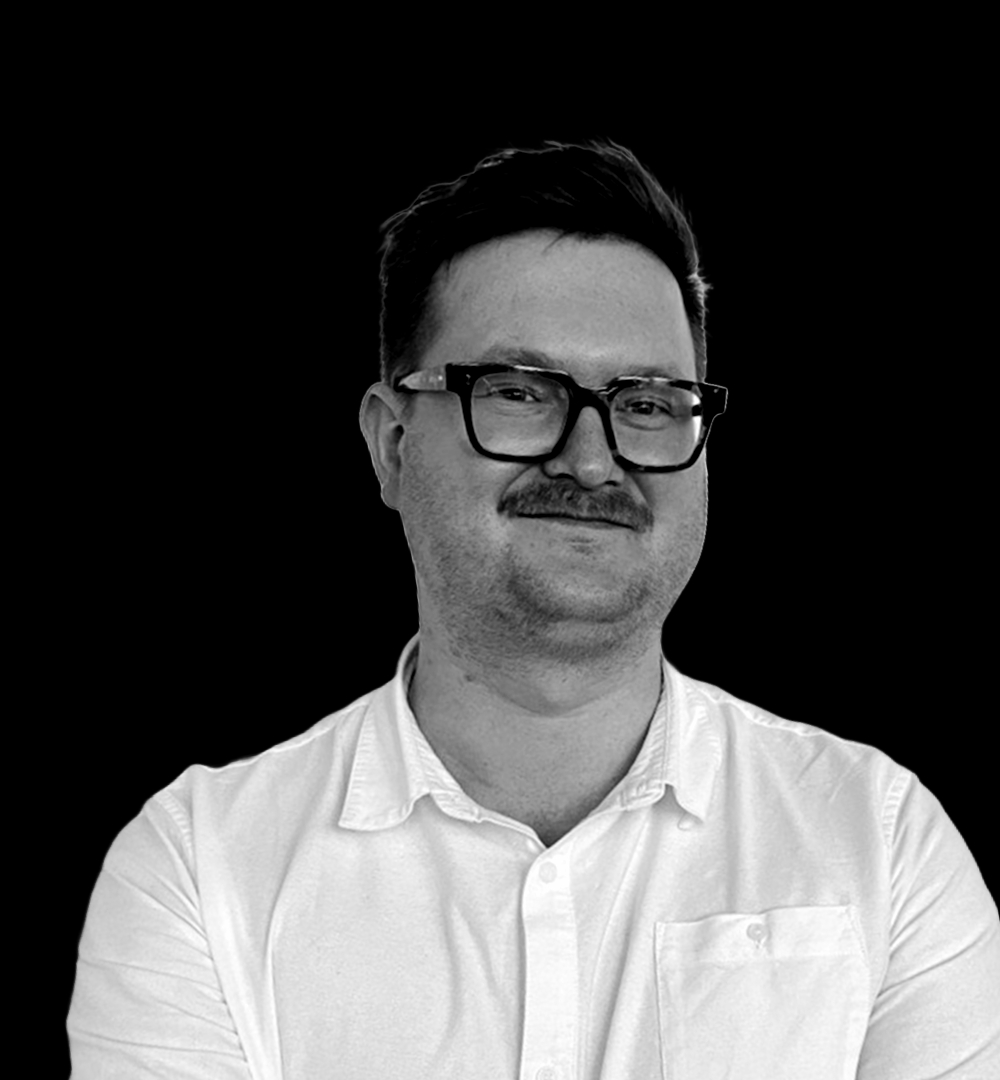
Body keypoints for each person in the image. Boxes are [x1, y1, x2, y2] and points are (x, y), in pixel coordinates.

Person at [67, 139, 999, 1079]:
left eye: (646, 402)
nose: (593, 460)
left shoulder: (883, 846)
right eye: (520, 393)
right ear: (392, 444)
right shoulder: (198, 870)